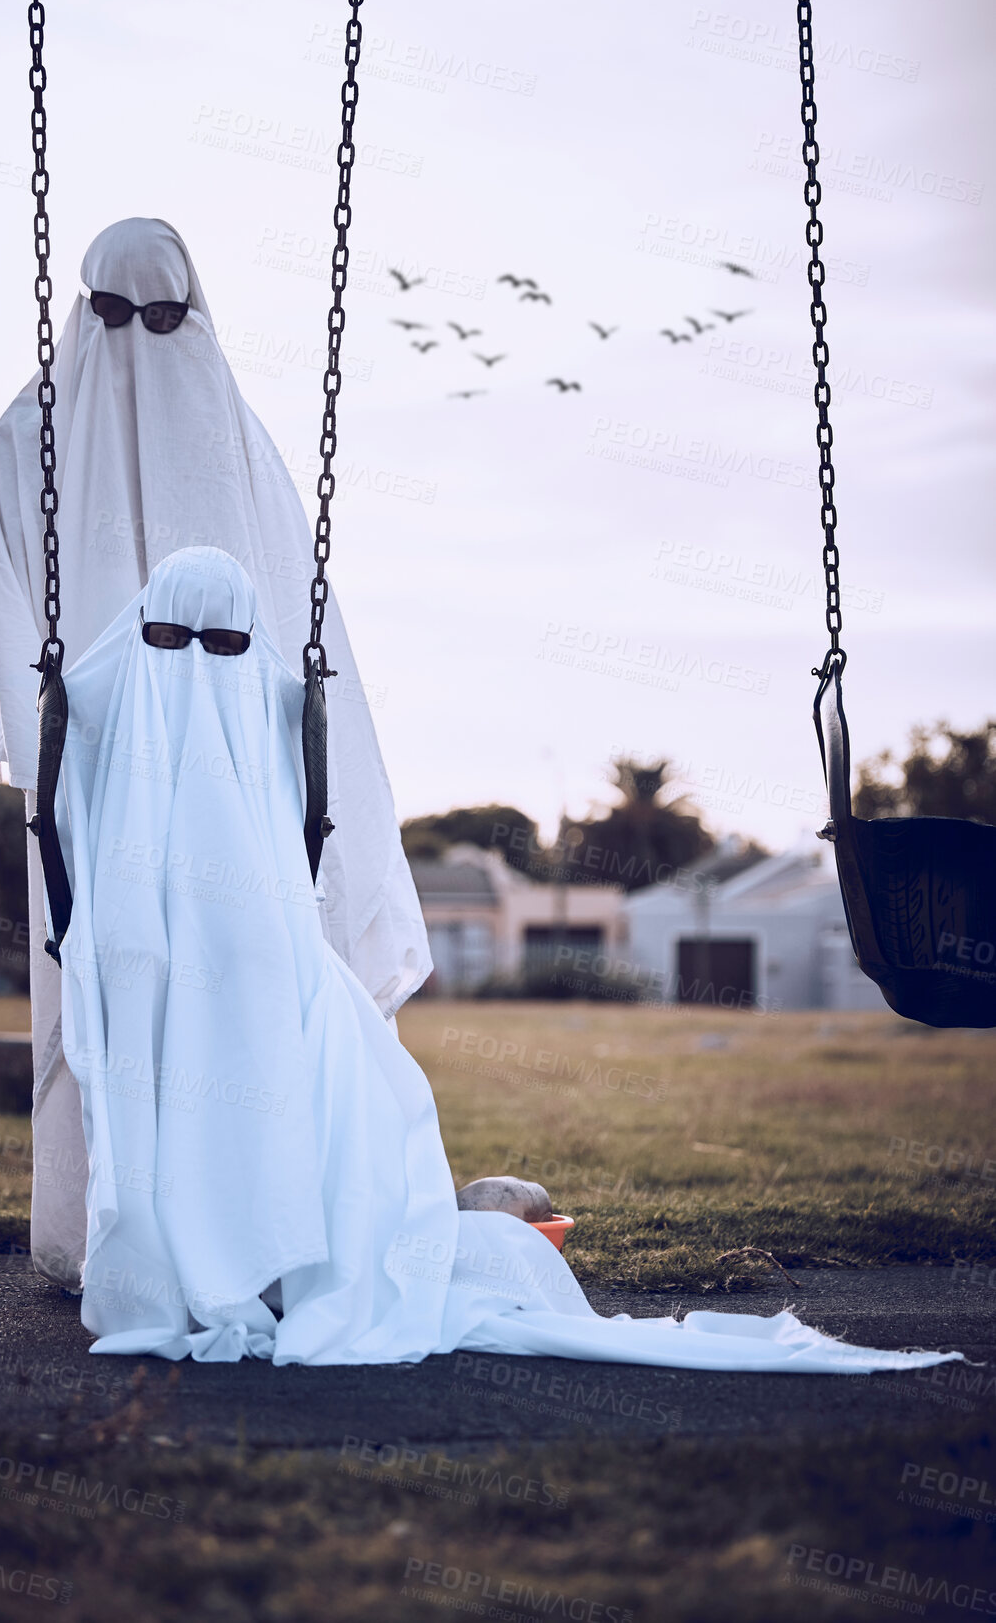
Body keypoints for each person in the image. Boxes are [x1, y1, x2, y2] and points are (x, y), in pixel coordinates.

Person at [53, 546, 962, 1375]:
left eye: (220, 644)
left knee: (277, 1090)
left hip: (237, 954)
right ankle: (223, 1260)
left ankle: (248, 1259)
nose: (197, 668)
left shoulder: (191, 697)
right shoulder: (180, 704)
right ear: (145, 637)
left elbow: (122, 712)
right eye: (174, 640)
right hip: (177, 952)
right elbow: (79, 713)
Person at [0, 220, 430, 1290]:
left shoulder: (231, 424)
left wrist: (278, 741)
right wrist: (65, 762)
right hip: (95, 778)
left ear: (199, 316)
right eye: (116, 317)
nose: (141, 343)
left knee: (242, 978)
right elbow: (12, 617)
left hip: (237, 774)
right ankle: (102, 1237)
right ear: (83, 312)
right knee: (107, 983)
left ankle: (257, 1234)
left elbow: (286, 603)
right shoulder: (24, 438)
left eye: (166, 319)